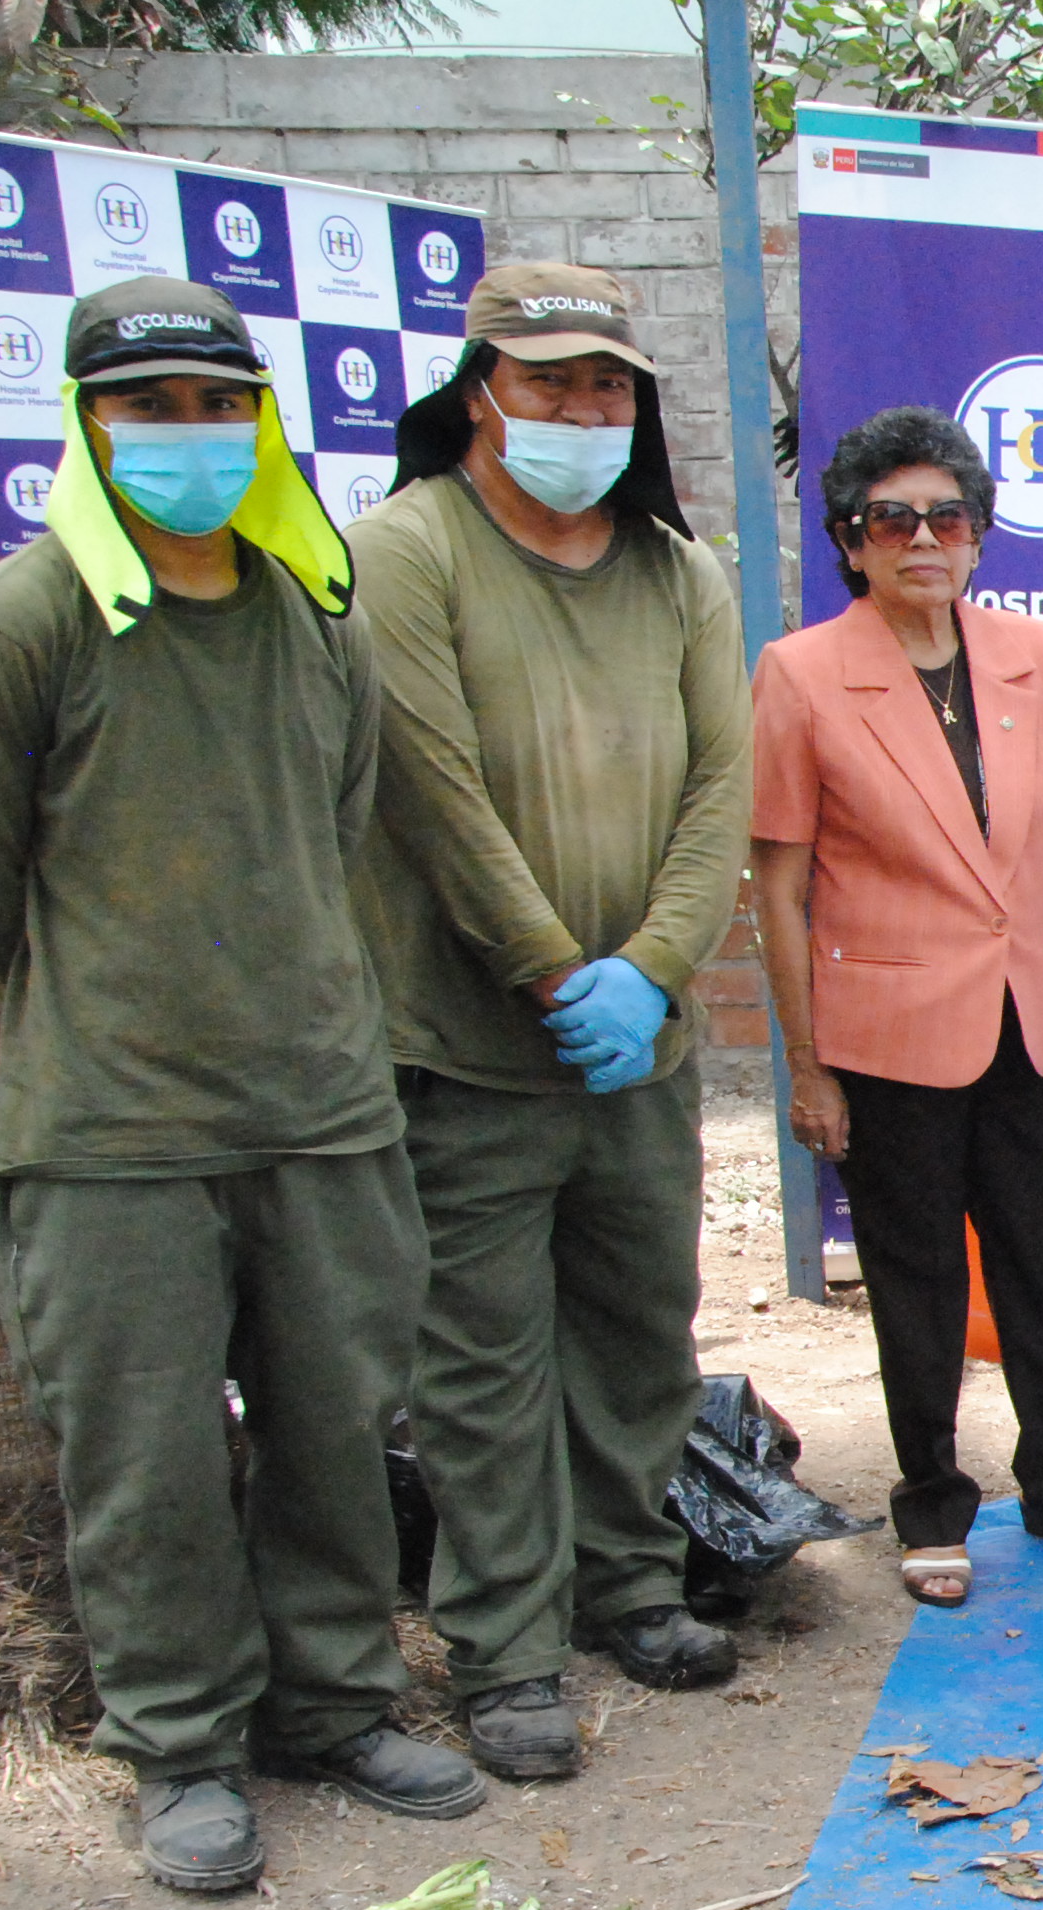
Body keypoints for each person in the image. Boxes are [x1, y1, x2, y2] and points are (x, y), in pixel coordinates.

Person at [0, 277, 485, 1892]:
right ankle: (177, 1745)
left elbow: (335, 826)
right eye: (151, 409)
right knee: (145, 1458)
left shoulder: (315, 616)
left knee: (330, 1430)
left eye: (219, 407)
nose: (191, 437)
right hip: (110, 1139)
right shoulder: (22, 625)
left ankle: (333, 1703)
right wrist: (116, 1012)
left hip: (319, 1110)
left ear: (262, 422)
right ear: (90, 426)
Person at [354, 263, 752, 1780]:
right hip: (468, 1046)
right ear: (482, 394)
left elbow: (726, 784)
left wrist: (650, 970)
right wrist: (542, 964)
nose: (583, 410)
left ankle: (630, 1586)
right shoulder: (410, 551)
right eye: (550, 384)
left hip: (637, 1046)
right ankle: (508, 1649)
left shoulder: (677, 570)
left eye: (608, 388)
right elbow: (429, 786)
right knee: (482, 1362)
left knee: (640, 1333)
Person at [749, 407, 1043, 1610]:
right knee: (914, 1275)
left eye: (948, 518)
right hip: (889, 1039)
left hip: (1029, 1017)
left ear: (978, 537)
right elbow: (778, 877)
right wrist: (806, 1064)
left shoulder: (1036, 656)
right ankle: (928, 1500)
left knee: (1035, 1259)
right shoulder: (803, 672)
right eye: (892, 520)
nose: (924, 539)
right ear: (851, 541)